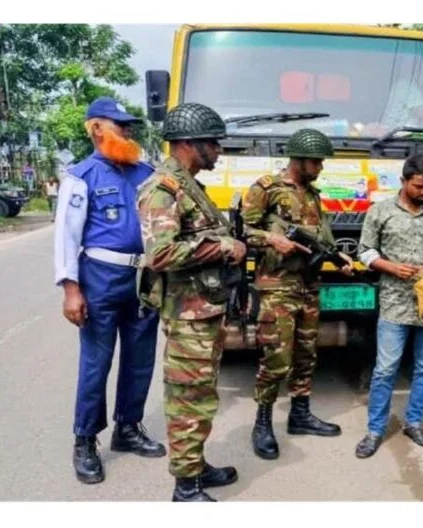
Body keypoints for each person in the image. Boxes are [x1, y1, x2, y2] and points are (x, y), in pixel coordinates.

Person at [136, 102, 246, 502]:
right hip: (187, 316)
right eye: (212, 143)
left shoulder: (189, 186)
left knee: (201, 396)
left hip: (203, 312)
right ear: (187, 143)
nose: (218, 150)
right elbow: (160, 255)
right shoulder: (162, 189)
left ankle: (196, 467)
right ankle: (184, 489)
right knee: (188, 400)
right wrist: (222, 246)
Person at [53, 97, 165, 486]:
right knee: (96, 363)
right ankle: (85, 440)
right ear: (96, 128)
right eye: (119, 125)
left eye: (129, 125)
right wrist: (71, 289)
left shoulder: (146, 173)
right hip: (100, 278)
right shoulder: (82, 176)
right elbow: (66, 237)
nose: (128, 131)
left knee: (140, 360)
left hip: (143, 279)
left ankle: (128, 428)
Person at [241, 128, 353, 461]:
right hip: (277, 286)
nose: (320, 167)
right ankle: (262, 423)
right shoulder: (266, 189)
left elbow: (324, 240)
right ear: (298, 159)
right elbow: (242, 232)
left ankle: (300, 415)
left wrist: (339, 257)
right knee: (276, 359)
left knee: (306, 355)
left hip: (308, 286)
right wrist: (270, 240)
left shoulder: (314, 195)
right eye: (316, 161)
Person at [354, 154, 423, 458]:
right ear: (403, 181)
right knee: (386, 369)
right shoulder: (381, 211)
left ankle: (414, 423)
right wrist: (389, 266)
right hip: (395, 303)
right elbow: (365, 250)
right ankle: (374, 430)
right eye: (418, 187)